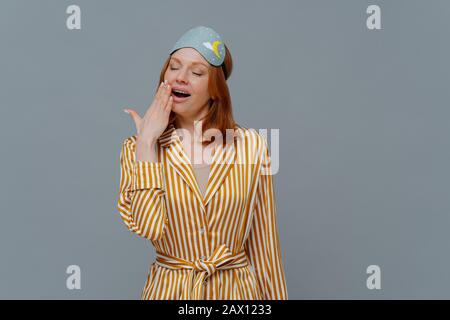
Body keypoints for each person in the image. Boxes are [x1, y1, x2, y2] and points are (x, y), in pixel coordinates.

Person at [117, 26, 288, 300]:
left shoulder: (253, 145)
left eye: (196, 72)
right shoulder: (136, 149)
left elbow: (265, 245)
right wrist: (147, 143)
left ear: (215, 89)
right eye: (174, 67)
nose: (180, 78)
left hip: (236, 296)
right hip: (171, 292)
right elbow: (148, 227)